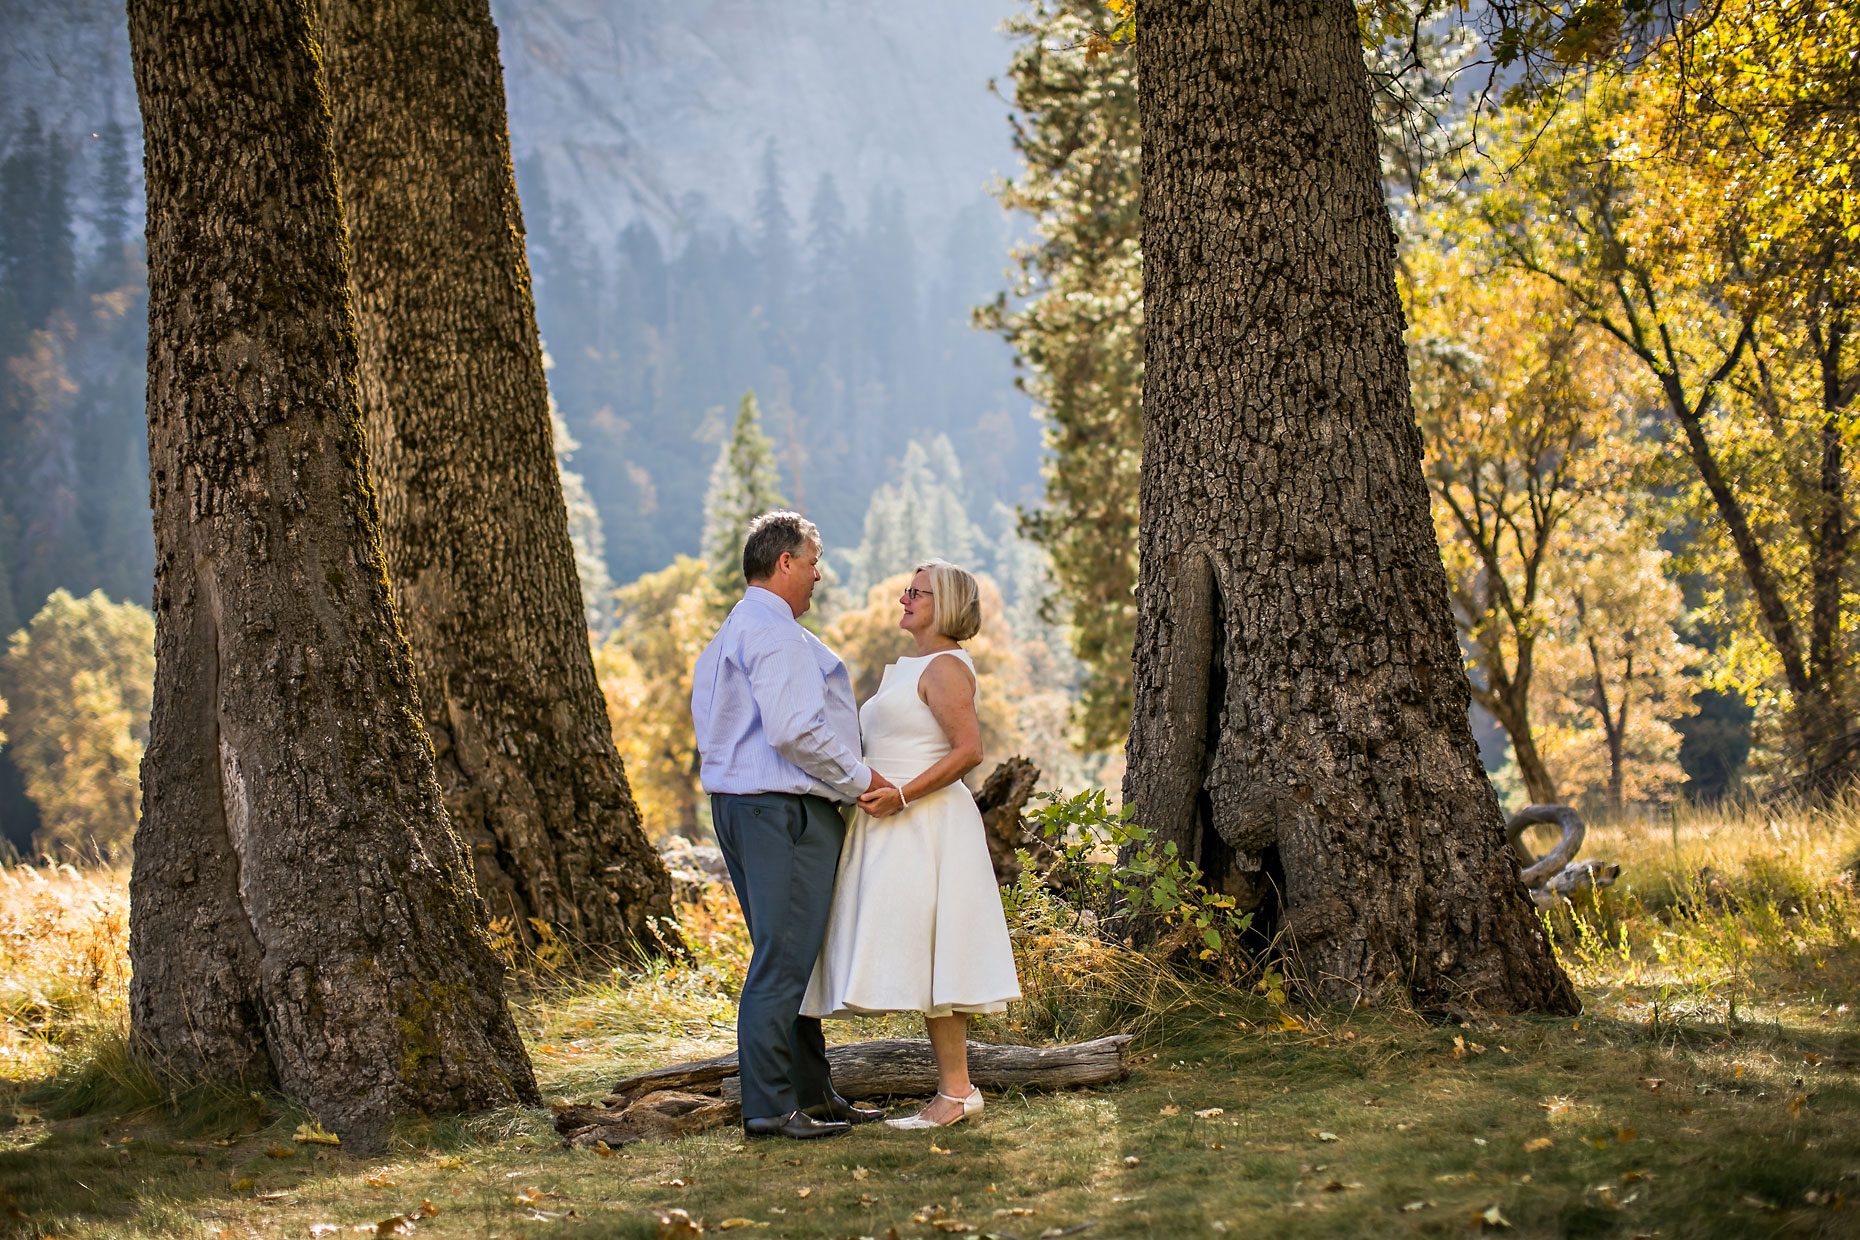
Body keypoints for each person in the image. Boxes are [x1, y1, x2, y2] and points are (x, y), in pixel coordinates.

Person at [691, 511, 896, 1140]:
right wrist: (863, 781)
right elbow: (795, 731)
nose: (817, 578)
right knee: (784, 961)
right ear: (785, 563)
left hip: (748, 807)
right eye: (813, 564)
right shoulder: (774, 634)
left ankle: (814, 1093)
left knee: (793, 961)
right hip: (780, 812)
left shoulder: (735, 629)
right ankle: (771, 1107)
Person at [802, 559, 1022, 1129]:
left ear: (943, 604)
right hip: (892, 822)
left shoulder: (947, 667)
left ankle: (956, 1093)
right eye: (908, 590)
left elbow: (968, 750)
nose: (905, 598)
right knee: (925, 954)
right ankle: (955, 1089)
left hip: (927, 825)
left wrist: (902, 794)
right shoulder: (909, 666)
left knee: (939, 952)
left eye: (917, 592)